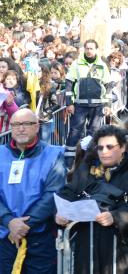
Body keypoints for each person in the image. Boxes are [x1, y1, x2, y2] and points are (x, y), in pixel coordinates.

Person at [56, 125, 128, 274]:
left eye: (110, 147)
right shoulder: (86, 169)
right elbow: (68, 192)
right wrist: (60, 212)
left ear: (122, 148)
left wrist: (116, 217)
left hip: (120, 249)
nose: (104, 152)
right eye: (100, 147)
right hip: (86, 247)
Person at [0, 108, 65, 273]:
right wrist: (9, 221)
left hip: (39, 239)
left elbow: (52, 195)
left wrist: (24, 226)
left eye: (26, 124)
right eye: (16, 124)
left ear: (37, 126)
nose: (21, 128)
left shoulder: (53, 154)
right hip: (5, 236)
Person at [64, 39, 112, 160]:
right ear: (84, 49)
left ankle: (91, 159)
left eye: (91, 48)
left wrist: (108, 105)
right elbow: (69, 83)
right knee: (75, 132)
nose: (89, 51)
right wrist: (69, 103)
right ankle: (70, 160)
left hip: (98, 105)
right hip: (80, 105)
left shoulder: (102, 65)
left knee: (94, 133)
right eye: (87, 48)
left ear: (96, 50)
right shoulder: (76, 64)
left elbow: (108, 86)